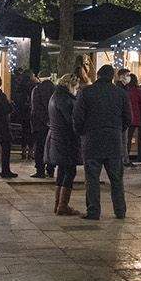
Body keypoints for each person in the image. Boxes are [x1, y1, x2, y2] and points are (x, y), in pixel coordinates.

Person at [74, 63, 130, 219]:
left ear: (97, 75)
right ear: (113, 77)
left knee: (92, 179)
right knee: (117, 179)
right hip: (113, 141)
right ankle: (120, 211)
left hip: (92, 141)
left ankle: (93, 211)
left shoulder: (86, 93)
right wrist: (117, 130)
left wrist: (82, 133)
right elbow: (128, 118)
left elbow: (78, 118)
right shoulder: (120, 93)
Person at [46, 74, 80, 215]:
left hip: (57, 139)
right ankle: (63, 205)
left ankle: (58, 204)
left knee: (62, 170)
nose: (77, 90)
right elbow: (72, 121)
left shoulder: (55, 96)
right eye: (76, 87)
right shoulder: (66, 99)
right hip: (66, 140)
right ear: (70, 85)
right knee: (70, 171)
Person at [29, 72, 55, 178]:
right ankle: (51, 169)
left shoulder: (37, 89)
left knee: (40, 147)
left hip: (39, 124)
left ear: (39, 78)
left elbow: (36, 108)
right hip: (53, 123)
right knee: (50, 146)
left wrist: (44, 121)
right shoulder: (55, 89)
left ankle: (40, 170)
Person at [125, 70, 141, 165]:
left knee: (127, 139)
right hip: (138, 117)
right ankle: (140, 157)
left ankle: (126, 157)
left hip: (129, 117)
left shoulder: (126, 90)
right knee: (140, 139)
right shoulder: (138, 90)